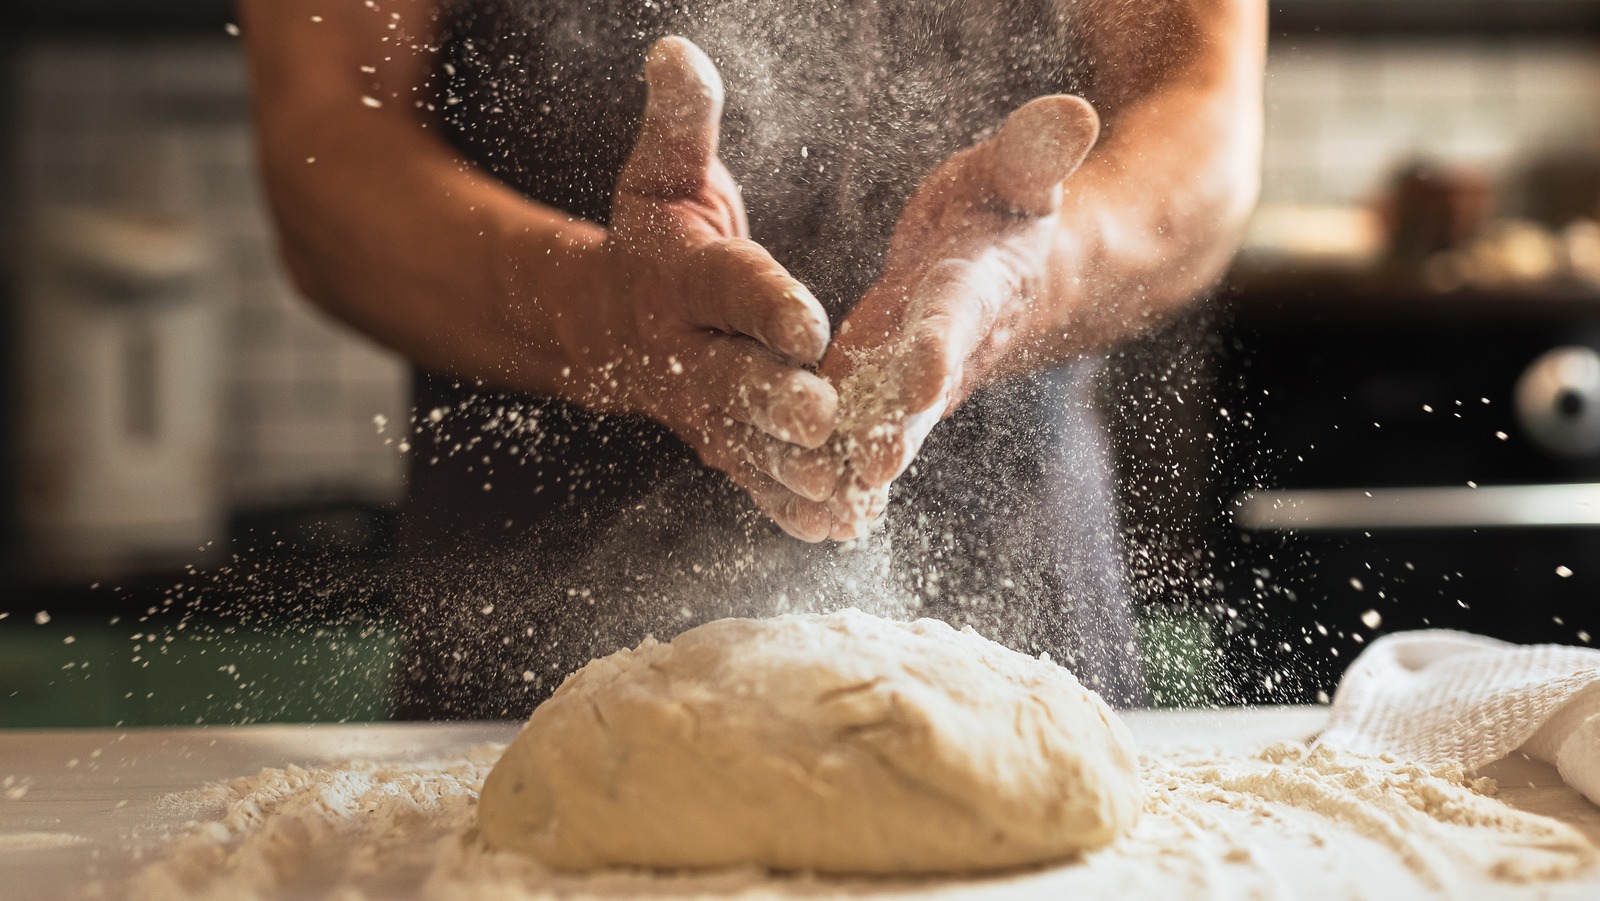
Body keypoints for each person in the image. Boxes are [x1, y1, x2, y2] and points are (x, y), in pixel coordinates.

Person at [239, 0, 1264, 718]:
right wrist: (603, 315)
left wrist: (1028, 276)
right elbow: (322, 147)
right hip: (529, 648)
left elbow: (1203, 123)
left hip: (1021, 614)